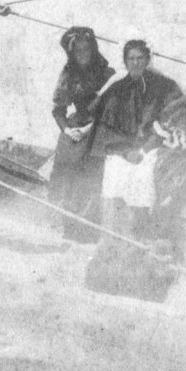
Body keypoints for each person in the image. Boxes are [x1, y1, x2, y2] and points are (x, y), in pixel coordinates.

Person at [91, 40, 186, 253]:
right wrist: (124, 151)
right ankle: (114, 240)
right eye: (131, 59)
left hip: (151, 149)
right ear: (125, 61)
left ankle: (141, 238)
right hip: (121, 152)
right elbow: (105, 128)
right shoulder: (117, 89)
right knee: (115, 175)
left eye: (140, 58)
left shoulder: (164, 86)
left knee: (145, 176)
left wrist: (145, 149)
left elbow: (179, 116)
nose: (136, 63)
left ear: (147, 60)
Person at [47, 27, 115, 243]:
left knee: (92, 177)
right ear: (72, 53)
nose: (83, 54)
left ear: (93, 49)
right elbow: (59, 110)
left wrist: (87, 130)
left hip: (101, 126)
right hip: (77, 127)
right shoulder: (69, 73)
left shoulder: (106, 74)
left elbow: (113, 111)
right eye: (78, 51)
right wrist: (68, 129)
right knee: (67, 167)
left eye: (87, 49)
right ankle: (70, 227)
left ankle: (89, 232)